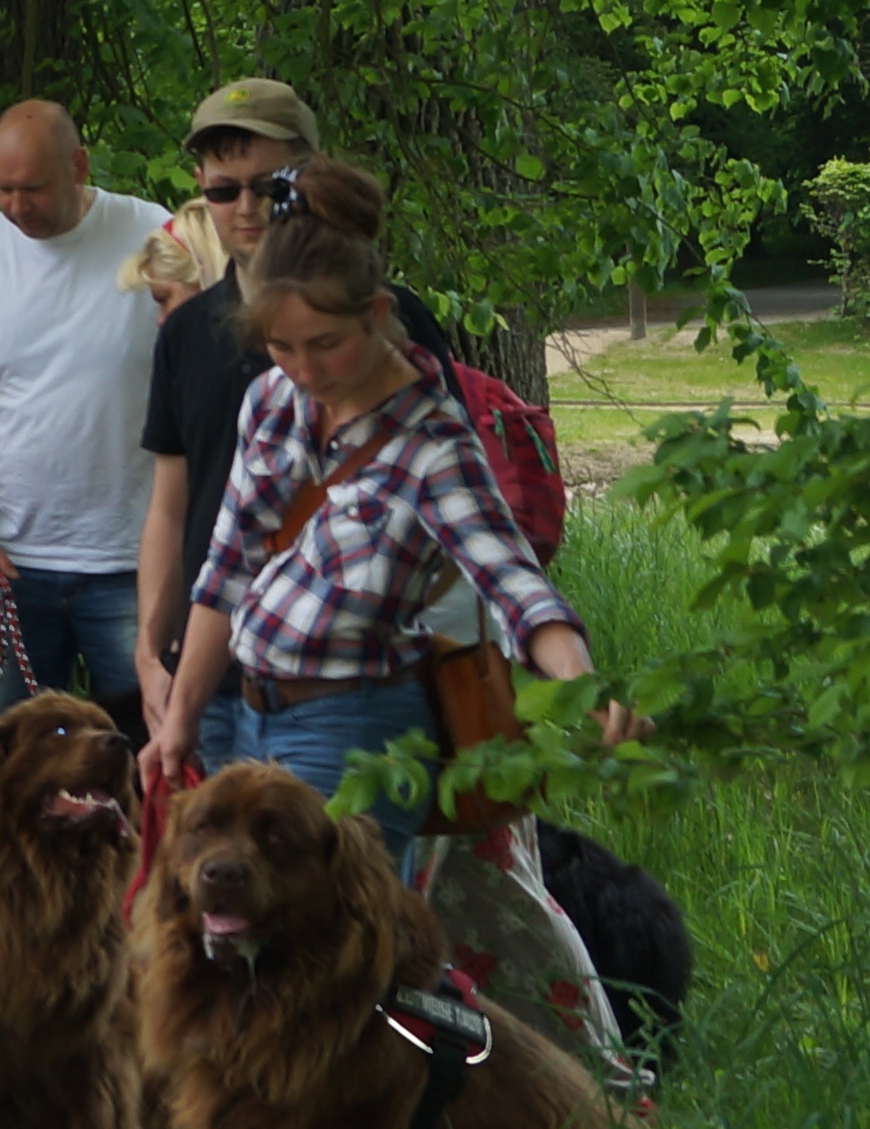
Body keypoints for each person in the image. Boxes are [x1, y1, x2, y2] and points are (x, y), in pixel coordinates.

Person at [141, 163, 627, 846]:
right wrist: (180, 716)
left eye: (325, 345)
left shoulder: (432, 444)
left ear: (373, 315)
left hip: (354, 730)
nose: (304, 370)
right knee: (236, 936)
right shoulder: (272, 401)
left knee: (326, 941)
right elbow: (227, 569)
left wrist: (583, 685)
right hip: (239, 711)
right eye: (281, 347)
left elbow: (513, 584)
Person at [131, 81, 453, 710]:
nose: (246, 207)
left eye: (270, 186)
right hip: (212, 670)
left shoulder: (389, 320)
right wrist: (151, 651)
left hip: (350, 679)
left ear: (309, 178)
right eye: (223, 190)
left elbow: (450, 501)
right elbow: (170, 509)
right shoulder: (187, 332)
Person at [0, 99, 168, 724]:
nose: (18, 206)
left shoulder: (156, 239)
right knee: (6, 759)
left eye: (34, 189)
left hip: (135, 558)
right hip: (12, 563)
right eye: (4, 190)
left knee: (147, 746)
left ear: (78, 166)